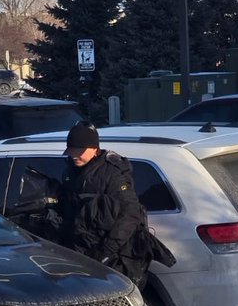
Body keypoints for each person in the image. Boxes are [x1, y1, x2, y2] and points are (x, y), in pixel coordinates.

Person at [57, 121, 173, 288]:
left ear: (94, 148)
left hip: (112, 257)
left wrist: (105, 252)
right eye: (71, 151)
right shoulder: (70, 170)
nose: (75, 156)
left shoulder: (112, 172)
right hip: (81, 251)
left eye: (79, 151)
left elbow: (130, 214)